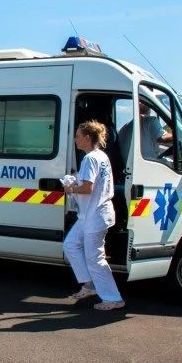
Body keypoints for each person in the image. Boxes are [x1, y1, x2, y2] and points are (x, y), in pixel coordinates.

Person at [63, 120, 126, 311]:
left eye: (78, 136)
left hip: (95, 215)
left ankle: (113, 298)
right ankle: (89, 284)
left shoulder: (90, 158)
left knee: (95, 258)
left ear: (88, 137)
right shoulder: (101, 156)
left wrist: (70, 188)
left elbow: (87, 188)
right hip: (90, 214)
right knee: (70, 244)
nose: (75, 140)